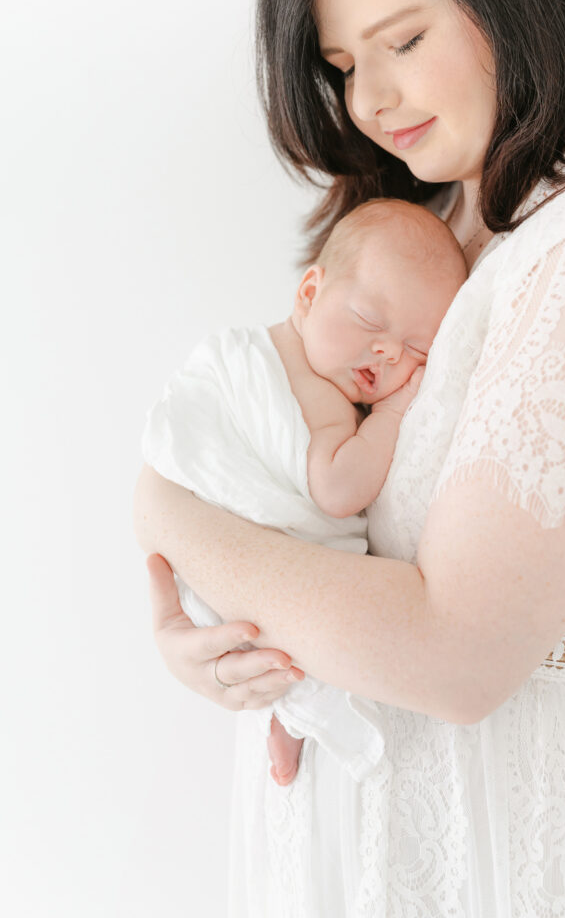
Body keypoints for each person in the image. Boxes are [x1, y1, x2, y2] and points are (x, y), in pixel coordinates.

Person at [133, 0, 565, 914]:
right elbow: (283, 478)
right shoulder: (422, 232)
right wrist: (203, 638)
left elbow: (457, 654)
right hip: (371, 853)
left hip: (518, 860)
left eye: (403, 40)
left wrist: (168, 515)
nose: (371, 99)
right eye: (344, 67)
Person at [141, 197, 466, 787]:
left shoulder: (277, 351)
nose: (389, 351)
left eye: (418, 352)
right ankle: (294, 722)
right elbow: (339, 490)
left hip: (213, 570)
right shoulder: (321, 397)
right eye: (370, 321)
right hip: (237, 564)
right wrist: (393, 412)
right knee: (302, 665)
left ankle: (290, 723)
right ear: (309, 293)